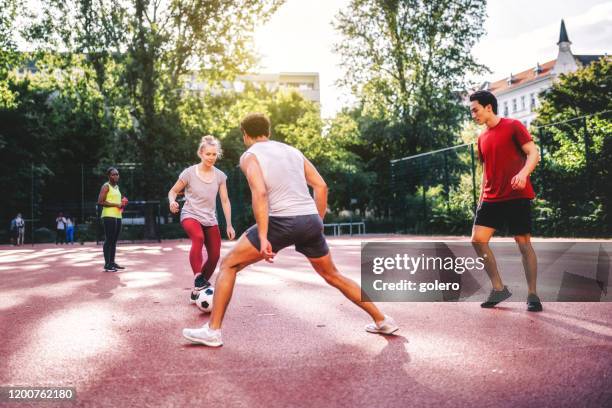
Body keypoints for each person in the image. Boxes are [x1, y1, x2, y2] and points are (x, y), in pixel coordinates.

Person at [183, 113, 398, 347]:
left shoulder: (249, 156)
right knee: (332, 275)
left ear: (245, 134)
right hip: (310, 220)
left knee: (229, 265)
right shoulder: (293, 151)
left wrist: (264, 237)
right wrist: (317, 221)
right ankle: (382, 320)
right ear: (269, 131)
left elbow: (260, 193)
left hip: (281, 222)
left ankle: (213, 331)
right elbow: (321, 186)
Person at [469, 90, 542, 312]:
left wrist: (523, 174)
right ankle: (499, 288)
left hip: (515, 195)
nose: (473, 115)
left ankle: (532, 294)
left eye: (475, 110)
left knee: (523, 244)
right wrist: (481, 199)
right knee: (477, 240)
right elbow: (485, 171)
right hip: (491, 198)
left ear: (488, 107)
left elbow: (533, 153)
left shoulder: (513, 126)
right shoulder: (481, 137)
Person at [168, 135, 235, 303]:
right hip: (190, 214)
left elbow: (225, 200)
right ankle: (198, 276)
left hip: (209, 218)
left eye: (214, 154)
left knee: (214, 255)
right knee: (198, 238)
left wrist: (229, 224)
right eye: (208, 154)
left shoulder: (220, 176)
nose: (211, 158)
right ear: (201, 154)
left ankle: (197, 288)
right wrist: (172, 202)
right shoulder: (189, 173)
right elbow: (173, 191)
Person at [97, 167, 128, 272]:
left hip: (118, 215)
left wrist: (122, 203)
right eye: (113, 174)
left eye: (117, 174)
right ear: (109, 176)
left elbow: (117, 203)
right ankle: (107, 264)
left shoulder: (117, 187)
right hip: (108, 215)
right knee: (109, 240)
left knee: (114, 241)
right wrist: (116, 204)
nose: (116, 176)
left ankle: (112, 262)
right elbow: (100, 202)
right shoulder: (106, 186)